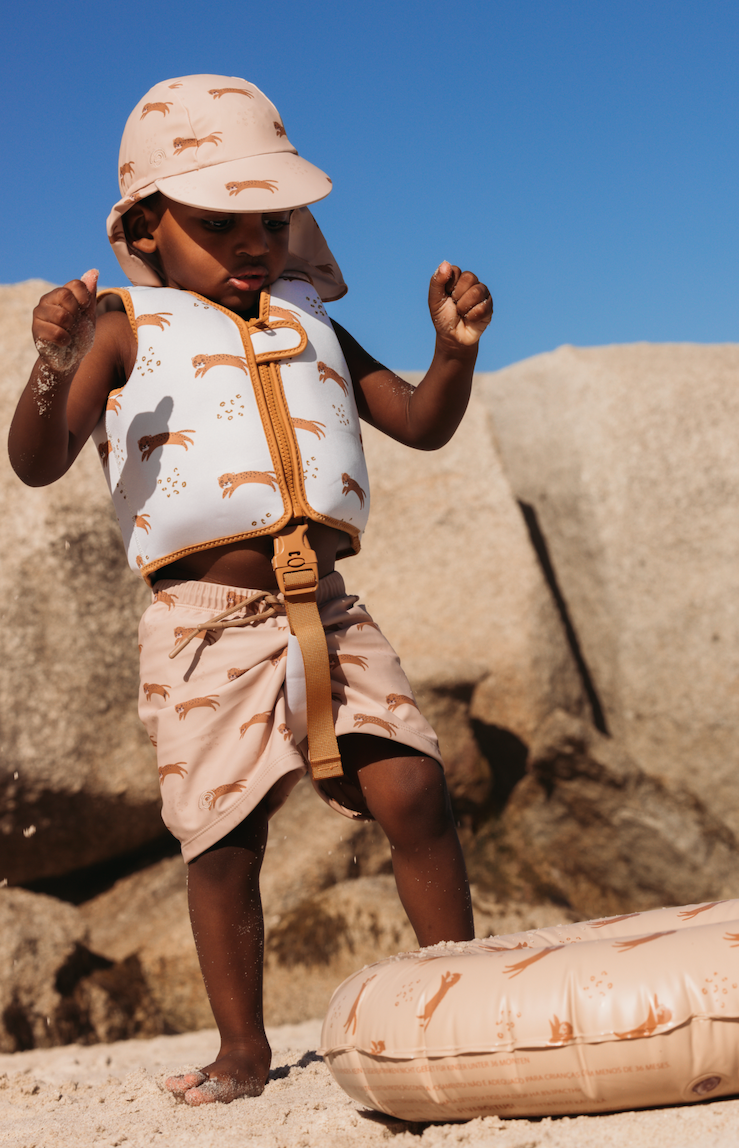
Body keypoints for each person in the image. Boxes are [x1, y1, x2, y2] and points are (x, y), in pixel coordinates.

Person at [7, 75, 492, 1105]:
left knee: (414, 785)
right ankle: (242, 1048)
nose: (253, 241)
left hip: (329, 604)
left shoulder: (310, 322)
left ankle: (464, 995)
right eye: (218, 220)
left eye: (270, 219)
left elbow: (418, 420)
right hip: (203, 625)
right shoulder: (123, 327)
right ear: (146, 225)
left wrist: (453, 352)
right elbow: (38, 461)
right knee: (224, 836)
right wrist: (52, 361)